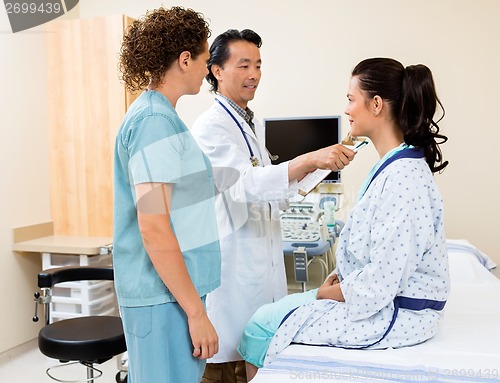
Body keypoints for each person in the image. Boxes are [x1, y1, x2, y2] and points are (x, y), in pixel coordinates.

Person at [237, 57, 451, 381]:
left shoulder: (403, 178)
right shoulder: (394, 168)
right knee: (273, 314)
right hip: (375, 297)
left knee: (262, 326)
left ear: (376, 105)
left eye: (351, 100)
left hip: (399, 313)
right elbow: (378, 253)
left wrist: (326, 294)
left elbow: (382, 280)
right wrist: (338, 278)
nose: (347, 110)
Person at [191, 29, 356, 383]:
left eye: (259, 65)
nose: (254, 74)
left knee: (257, 363)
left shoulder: (248, 127)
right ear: (216, 71)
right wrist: (310, 156)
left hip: (259, 281)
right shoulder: (210, 128)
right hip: (232, 283)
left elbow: (275, 195)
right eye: (244, 65)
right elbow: (244, 186)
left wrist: (318, 166)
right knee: (228, 369)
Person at [113, 7, 222, 383]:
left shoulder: (161, 118)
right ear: (185, 59)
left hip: (171, 294)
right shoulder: (154, 123)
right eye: (206, 60)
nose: (208, 70)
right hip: (163, 298)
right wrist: (196, 313)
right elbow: (154, 227)